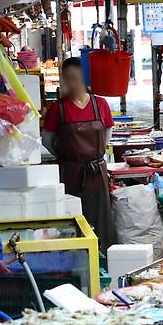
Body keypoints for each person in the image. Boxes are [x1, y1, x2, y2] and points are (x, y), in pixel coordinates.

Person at [41, 57, 115, 252]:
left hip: (97, 174)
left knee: (101, 222)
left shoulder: (101, 105)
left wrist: (94, 155)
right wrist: (68, 156)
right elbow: (47, 140)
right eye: (67, 79)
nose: (71, 83)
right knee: (73, 220)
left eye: (75, 78)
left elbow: (107, 134)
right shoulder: (58, 108)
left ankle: (104, 260)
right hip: (70, 174)